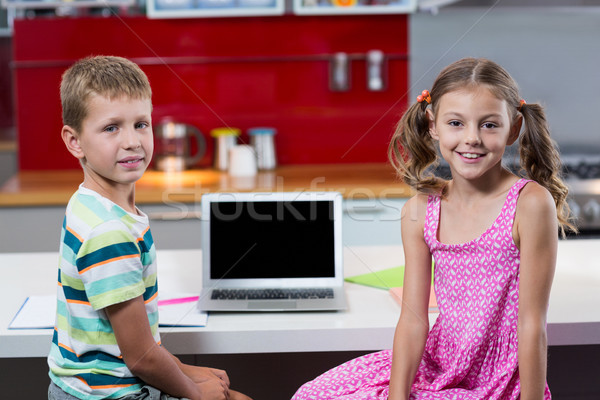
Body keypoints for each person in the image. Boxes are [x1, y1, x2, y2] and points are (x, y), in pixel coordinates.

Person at [290, 57, 576, 400]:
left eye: (489, 125)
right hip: (437, 366)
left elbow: (531, 324)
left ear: (513, 128)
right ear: (432, 125)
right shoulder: (420, 211)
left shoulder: (529, 204)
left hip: (495, 379)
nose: (472, 138)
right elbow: (413, 321)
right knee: (311, 394)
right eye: (456, 123)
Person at [47, 55, 252, 400]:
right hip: (107, 393)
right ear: (74, 141)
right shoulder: (109, 231)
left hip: (89, 384)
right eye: (111, 128)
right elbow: (141, 357)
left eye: (140, 124)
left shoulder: (92, 202)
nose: (132, 141)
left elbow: (134, 346)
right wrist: (197, 392)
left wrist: (188, 371)